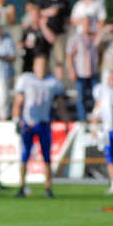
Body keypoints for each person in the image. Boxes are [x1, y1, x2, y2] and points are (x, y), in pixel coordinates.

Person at [12, 53, 68, 198]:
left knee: (47, 158)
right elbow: (19, 101)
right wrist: (16, 120)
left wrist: (66, 121)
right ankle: (22, 186)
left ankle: (48, 187)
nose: (42, 68)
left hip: (44, 123)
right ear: (34, 67)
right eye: (39, 65)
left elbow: (60, 104)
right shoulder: (26, 80)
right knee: (24, 156)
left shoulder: (53, 82)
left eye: (44, 65)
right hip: (28, 124)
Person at [65, 16, 103, 121]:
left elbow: (100, 53)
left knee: (96, 96)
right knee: (81, 98)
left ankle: (95, 117)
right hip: (81, 72)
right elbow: (69, 56)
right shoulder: (75, 38)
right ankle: (82, 119)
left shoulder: (94, 38)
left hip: (93, 72)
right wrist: (71, 70)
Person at [36, 0, 71, 80]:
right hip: (45, 33)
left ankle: (58, 84)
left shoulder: (64, 0)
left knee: (59, 61)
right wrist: (48, 12)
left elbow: (68, 18)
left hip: (59, 35)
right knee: (43, 59)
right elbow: (36, 14)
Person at [20, 2, 55, 74]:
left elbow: (52, 40)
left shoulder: (44, 28)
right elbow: (20, 44)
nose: (34, 17)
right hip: (29, 63)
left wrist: (43, 25)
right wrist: (25, 44)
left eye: (36, 15)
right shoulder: (27, 29)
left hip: (42, 64)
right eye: (32, 15)